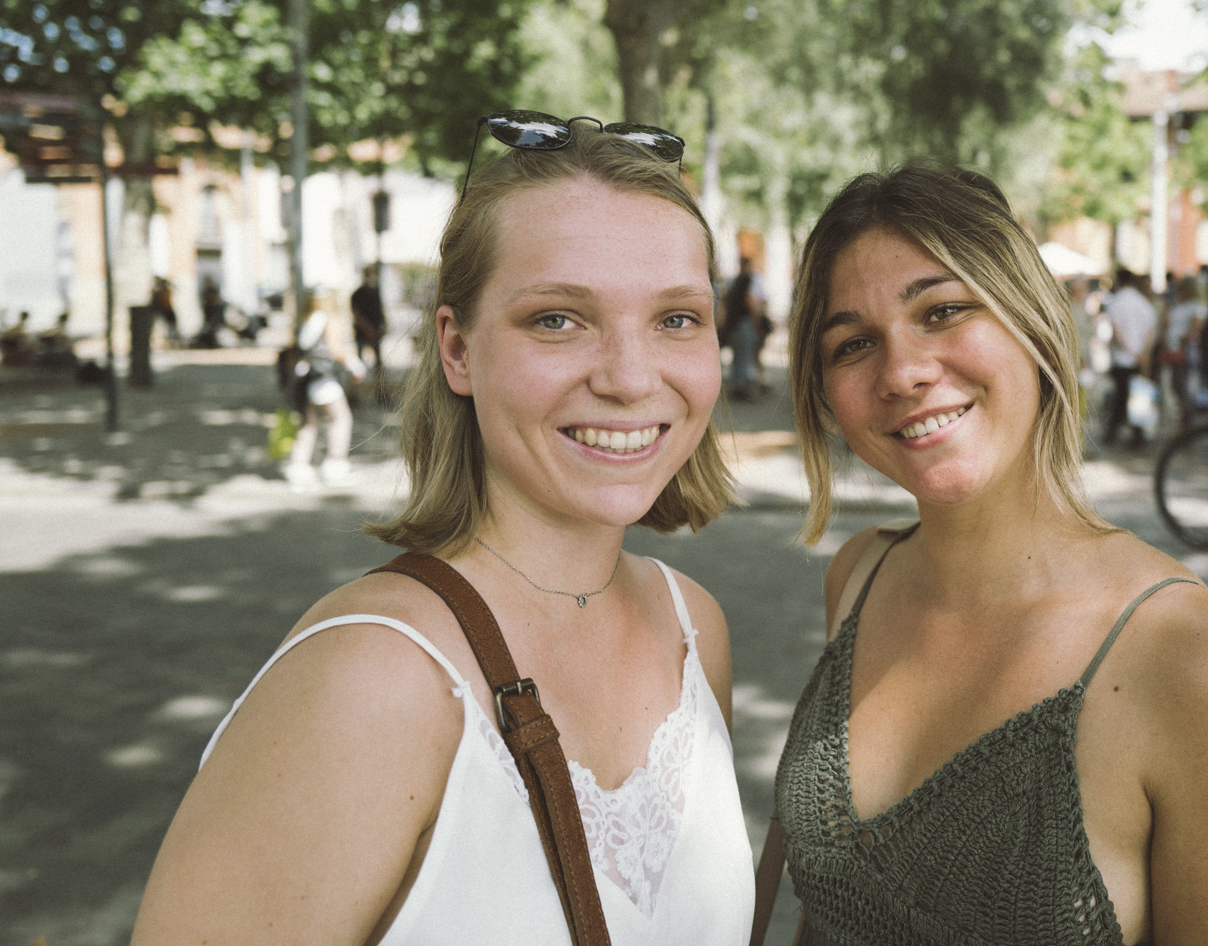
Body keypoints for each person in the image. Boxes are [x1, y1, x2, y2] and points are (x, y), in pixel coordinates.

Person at [132, 124, 755, 944]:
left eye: (677, 318)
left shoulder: (693, 628)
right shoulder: (371, 678)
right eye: (560, 320)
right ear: (457, 348)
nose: (632, 378)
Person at [773, 163, 1208, 946]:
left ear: (1031, 320)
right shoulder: (858, 575)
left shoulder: (1201, 662)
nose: (902, 371)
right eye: (853, 343)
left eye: (943, 310)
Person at [284, 293, 365, 490]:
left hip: (305, 378)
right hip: (324, 379)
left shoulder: (305, 320)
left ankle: (298, 468)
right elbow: (335, 349)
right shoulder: (328, 319)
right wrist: (355, 366)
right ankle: (336, 466)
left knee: (308, 425)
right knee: (341, 419)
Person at [1102, 268, 1156, 447]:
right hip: (1139, 358)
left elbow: (1116, 330)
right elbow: (1150, 330)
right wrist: (1143, 353)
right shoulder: (1143, 302)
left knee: (1121, 397)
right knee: (1139, 397)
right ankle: (1137, 436)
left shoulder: (1117, 302)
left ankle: (1112, 433)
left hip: (1122, 358)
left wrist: (1130, 351)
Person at [1161, 275, 1208, 428]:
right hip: (1174, 347)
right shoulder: (1180, 304)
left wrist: (1180, 341)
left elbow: (1195, 329)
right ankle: (1185, 419)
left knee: (1183, 385)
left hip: (1184, 349)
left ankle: (1187, 421)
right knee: (1177, 384)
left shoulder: (1198, 306)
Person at [719, 255, 767, 400]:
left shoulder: (733, 282)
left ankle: (737, 385)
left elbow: (724, 304)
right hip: (745, 323)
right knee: (744, 355)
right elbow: (751, 303)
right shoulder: (749, 280)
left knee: (738, 356)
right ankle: (740, 387)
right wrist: (757, 324)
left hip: (733, 325)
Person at [352, 262, 388, 378]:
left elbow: (380, 310)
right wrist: (368, 329)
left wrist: (384, 324)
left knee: (378, 363)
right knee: (358, 364)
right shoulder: (357, 294)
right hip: (362, 333)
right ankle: (355, 392)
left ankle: (380, 390)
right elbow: (357, 316)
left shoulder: (375, 292)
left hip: (375, 331)